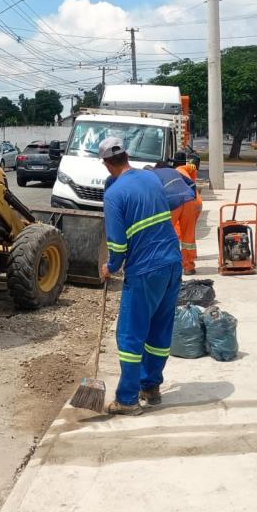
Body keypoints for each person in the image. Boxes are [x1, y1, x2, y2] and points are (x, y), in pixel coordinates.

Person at [99, 137, 183, 416]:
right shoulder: (150, 178)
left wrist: (111, 266)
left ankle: (127, 399)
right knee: (159, 330)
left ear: (106, 164)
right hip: (172, 264)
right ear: (127, 156)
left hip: (145, 270)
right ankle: (151, 388)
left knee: (130, 336)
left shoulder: (113, 195)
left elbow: (118, 245)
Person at [172, 151, 202, 275]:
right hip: (193, 201)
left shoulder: (166, 174)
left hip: (177, 202)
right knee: (188, 235)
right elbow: (193, 167)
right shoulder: (184, 168)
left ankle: (171, 263)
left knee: (168, 232)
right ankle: (188, 266)